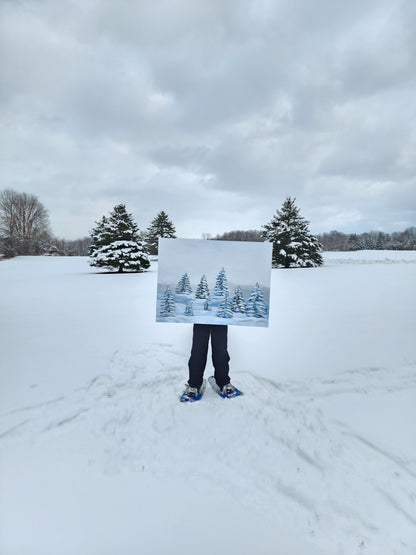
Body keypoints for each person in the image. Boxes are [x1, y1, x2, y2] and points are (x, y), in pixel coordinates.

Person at [184, 323, 236, 397]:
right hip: (201, 317)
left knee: (220, 351)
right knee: (198, 351)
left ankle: (223, 382)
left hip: (219, 318)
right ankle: (194, 385)